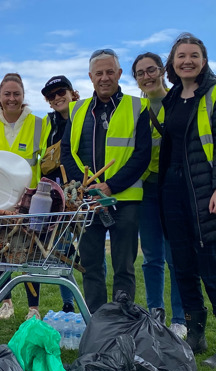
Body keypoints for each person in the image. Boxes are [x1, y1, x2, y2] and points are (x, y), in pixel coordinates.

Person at [159, 33, 216, 367]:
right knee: (182, 267)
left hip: (206, 193)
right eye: (181, 56)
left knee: (212, 269)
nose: (187, 61)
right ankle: (195, 334)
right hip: (174, 192)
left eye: (194, 55)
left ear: (203, 60)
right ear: (173, 62)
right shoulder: (173, 97)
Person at [61, 49, 151, 313]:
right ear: (90, 76)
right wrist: (86, 185)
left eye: (110, 72)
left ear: (120, 74)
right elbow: (67, 153)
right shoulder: (76, 110)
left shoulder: (138, 107)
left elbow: (142, 155)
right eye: (99, 73)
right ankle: (96, 322)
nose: (104, 78)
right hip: (88, 202)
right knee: (91, 267)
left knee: (124, 267)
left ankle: (122, 321)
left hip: (125, 201)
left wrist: (111, 186)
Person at [0, 73, 44, 321]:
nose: (12, 98)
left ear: (23, 95)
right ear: (0, 95)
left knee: (28, 252)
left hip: (29, 201)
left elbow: (45, 162)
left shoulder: (39, 124)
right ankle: (5, 303)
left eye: (17, 94)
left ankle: (33, 308)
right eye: (7, 94)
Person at [131, 53, 187, 339]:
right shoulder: (137, 109)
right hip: (148, 189)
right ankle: (156, 312)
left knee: (175, 254)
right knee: (151, 256)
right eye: (140, 73)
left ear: (162, 71)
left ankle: (180, 318)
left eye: (150, 70)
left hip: (174, 188)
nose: (147, 77)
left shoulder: (179, 101)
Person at [40, 75, 80, 314]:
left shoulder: (85, 115)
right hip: (56, 193)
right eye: (51, 95)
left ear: (72, 92)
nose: (57, 98)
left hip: (80, 189)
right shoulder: (49, 123)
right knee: (62, 247)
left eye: (61, 92)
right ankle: (68, 302)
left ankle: (100, 304)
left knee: (89, 246)